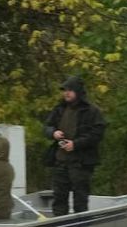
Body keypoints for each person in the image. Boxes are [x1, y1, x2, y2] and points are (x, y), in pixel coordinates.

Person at [43, 75, 106, 216]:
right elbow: (47, 126)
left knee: (80, 199)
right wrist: (53, 133)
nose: (66, 93)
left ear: (78, 91)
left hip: (81, 163)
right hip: (60, 161)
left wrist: (75, 144)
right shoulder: (59, 109)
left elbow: (97, 134)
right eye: (65, 90)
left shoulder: (92, 111)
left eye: (70, 90)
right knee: (59, 198)